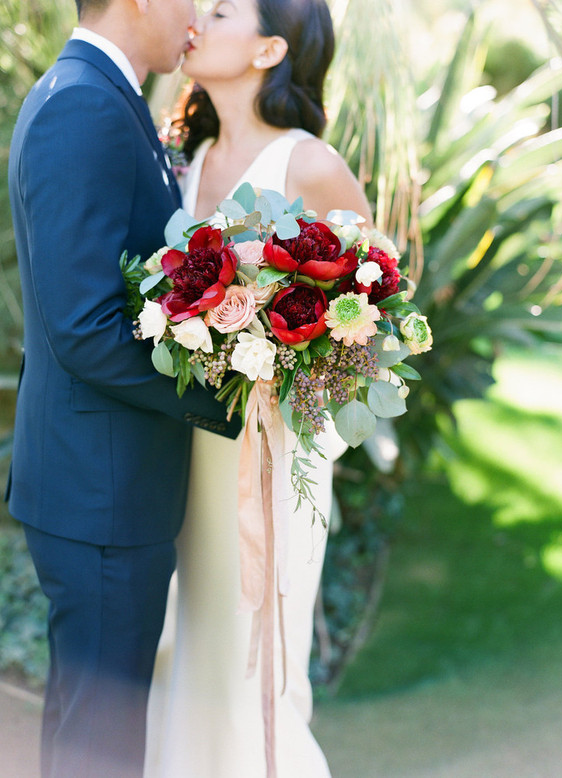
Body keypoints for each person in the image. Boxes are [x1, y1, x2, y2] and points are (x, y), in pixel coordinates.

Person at [6, 0, 241, 776]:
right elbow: (84, 327)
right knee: (97, 750)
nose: (199, 16)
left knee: (90, 737)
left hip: (103, 483)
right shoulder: (82, 105)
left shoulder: (102, 98)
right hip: (99, 489)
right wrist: (229, 394)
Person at [144, 1, 374, 776]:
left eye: (219, 8)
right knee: (183, 648)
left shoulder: (309, 164)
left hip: (273, 461)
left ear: (270, 47)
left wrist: (280, 359)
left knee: (256, 660)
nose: (195, 16)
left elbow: (370, 318)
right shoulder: (187, 159)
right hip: (184, 448)